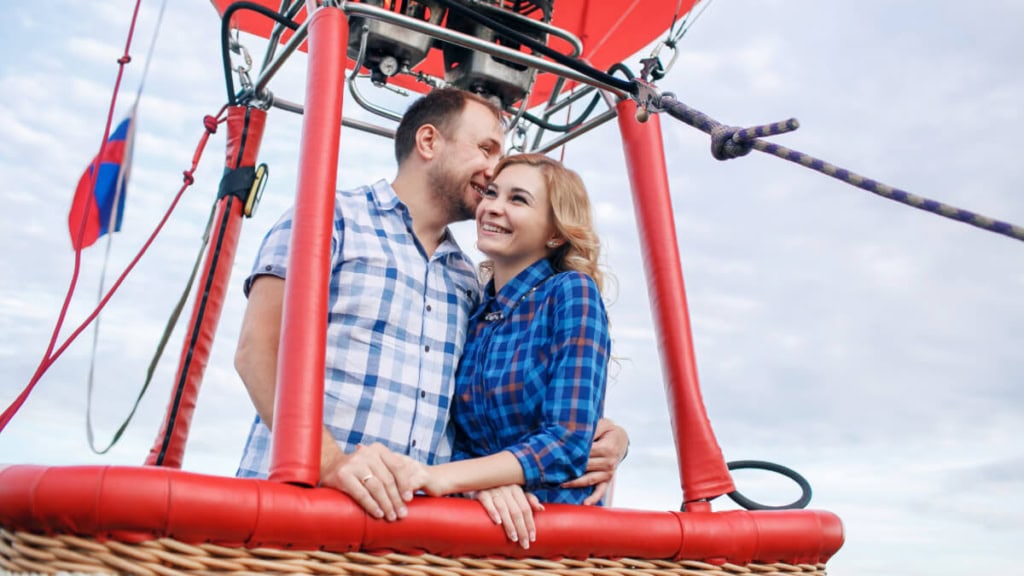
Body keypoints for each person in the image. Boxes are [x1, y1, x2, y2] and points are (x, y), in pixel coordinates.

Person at [234, 88, 627, 521]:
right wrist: (331, 463)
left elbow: (475, 418)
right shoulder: (331, 219)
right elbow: (257, 352)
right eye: (485, 148)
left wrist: (609, 438)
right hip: (304, 503)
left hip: (411, 527)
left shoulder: (466, 282)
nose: (493, 168)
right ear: (428, 142)